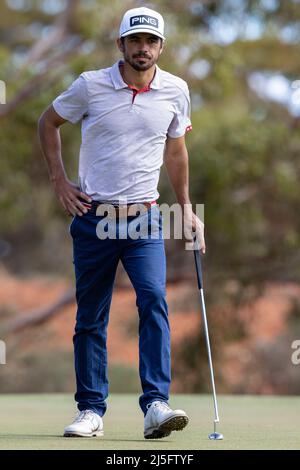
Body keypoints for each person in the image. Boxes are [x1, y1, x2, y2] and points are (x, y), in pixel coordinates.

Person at [38, 6, 205, 440]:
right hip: (94, 218)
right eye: (135, 41)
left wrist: (186, 208)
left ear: (161, 47)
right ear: (121, 45)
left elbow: (176, 151)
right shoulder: (91, 86)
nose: (143, 48)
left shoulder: (176, 90)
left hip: (145, 218)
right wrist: (60, 181)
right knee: (91, 317)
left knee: (153, 301)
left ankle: (156, 406)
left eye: (151, 41)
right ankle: (91, 411)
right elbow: (48, 122)